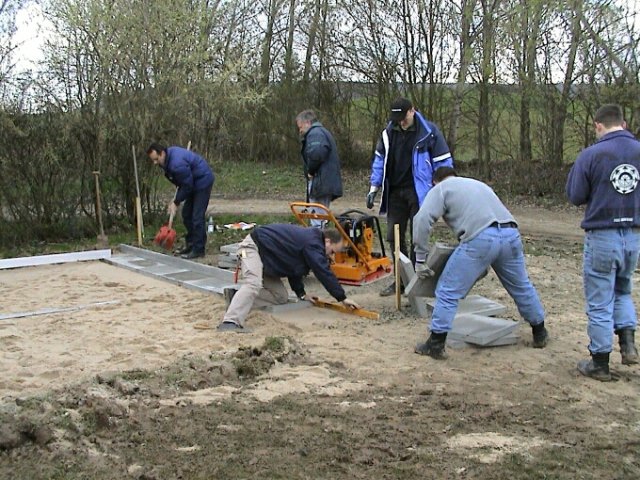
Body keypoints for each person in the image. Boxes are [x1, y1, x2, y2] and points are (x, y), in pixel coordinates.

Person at [412, 167, 548, 359]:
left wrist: (420, 258)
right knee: (521, 286)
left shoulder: (441, 189)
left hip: (480, 238)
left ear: (435, 181)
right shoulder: (479, 185)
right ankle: (540, 332)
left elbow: (422, 220)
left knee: (447, 290)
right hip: (510, 234)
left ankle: (435, 344)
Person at [566, 104, 640, 381]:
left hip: (602, 236)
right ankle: (628, 343)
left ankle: (599, 362)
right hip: (633, 235)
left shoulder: (592, 154)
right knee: (623, 289)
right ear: (624, 123)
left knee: (599, 301)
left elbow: (575, 195)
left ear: (598, 125)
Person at [366, 97, 453, 296]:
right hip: (395, 191)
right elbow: (379, 161)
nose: (401, 122)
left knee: (417, 236)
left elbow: (444, 163)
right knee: (392, 236)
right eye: (397, 118)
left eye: (403, 117)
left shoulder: (429, 133)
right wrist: (373, 187)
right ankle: (400, 280)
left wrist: (445, 190)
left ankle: (415, 281)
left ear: (412, 111)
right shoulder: (389, 133)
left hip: (419, 193)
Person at [217, 224, 360, 332]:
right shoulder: (313, 242)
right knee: (253, 283)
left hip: (267, 258)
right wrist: (342, 298)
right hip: (251, 248)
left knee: (280, 297)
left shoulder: (309, 244)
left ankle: (235, 298)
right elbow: (322, 271)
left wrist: (302, 294)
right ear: (327, 241)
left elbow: (294, 269)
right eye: (332, 251)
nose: (331, 256)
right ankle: (230, 323)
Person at [147, 143, 215, 259]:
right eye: (153, 160)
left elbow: (187, 185)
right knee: (186, 214)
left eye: (156, 159)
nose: (155, 163)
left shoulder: (176, 164)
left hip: (203, 180)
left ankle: (199, 249)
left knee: (196, 217)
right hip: (192, 181)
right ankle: (191, 244)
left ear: (162, 153)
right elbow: (183, 183)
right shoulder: (168, 159)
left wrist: (176, 202)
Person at [296, 110, 343, 227]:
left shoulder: (315, 134)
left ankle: (316, 242)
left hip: (320, 182)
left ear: (307, 122)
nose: (300, 131)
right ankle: (319, 240)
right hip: (324, 181)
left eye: (300, 127)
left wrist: (310, 171)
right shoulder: (321, 132)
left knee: (317, 217)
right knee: (320, 217)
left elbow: (317, 154)